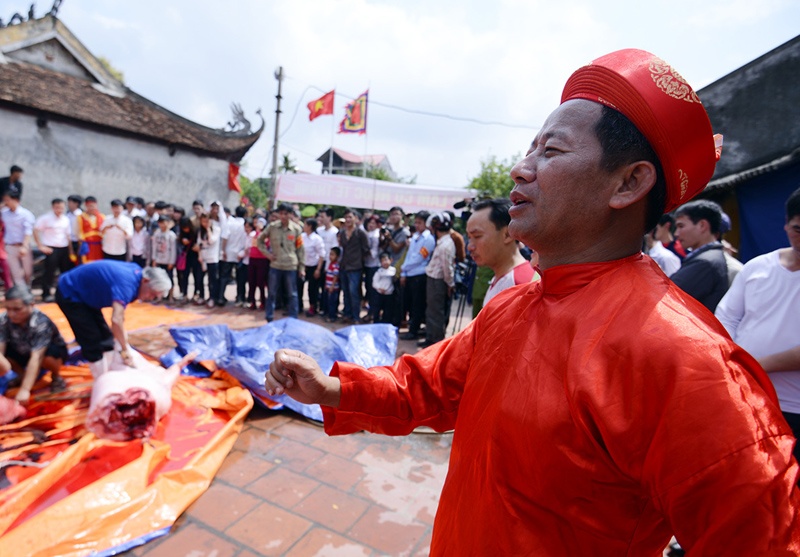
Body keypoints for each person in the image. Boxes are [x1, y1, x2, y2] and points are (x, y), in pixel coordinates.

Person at [265, 49, 799, 554]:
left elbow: (761, 539)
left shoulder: (685, 358)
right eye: (530, 147)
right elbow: (423, 387)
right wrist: (330, 388)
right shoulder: (512, 307)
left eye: (553, 150)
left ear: (629, 182)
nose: (521, 169)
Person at [715, 186, 800, 463]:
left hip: (793, 404)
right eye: (799, 229)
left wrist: (753, 365)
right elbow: (727, 317)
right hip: (748, 393)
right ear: (787, 225)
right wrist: (732, 360)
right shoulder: (757, 266)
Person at [56, 260, 170, 377]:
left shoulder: (137, 274)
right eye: (152, 294)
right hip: (70, 293)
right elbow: (116, 320)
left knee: (106, 339)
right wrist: (125, 349)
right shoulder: (126, 284)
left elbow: (119, 320)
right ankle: (102, 380)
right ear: (146, 281)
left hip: (87, 297)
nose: (151, 298)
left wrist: (123, 345)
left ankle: (110, 372)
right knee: (91, 340)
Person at [0, 285, 68, 404]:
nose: (11, 314)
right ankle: (23, 376)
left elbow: (37, 357)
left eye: (17, 309)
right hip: (21, 351)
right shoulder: (4, 320)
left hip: (44, 354)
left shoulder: (41, 322)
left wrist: (25, 390)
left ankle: (56, 377)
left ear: (31, 305)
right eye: (8, 309)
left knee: (49, 355)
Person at [466, 197, 536, 307]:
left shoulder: (521, 284)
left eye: (477, 236)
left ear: (507, 235)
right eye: (469, 237)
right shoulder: (502, 277)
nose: (470, 246)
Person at [670, 199, 729, 311]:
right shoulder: (711, 257)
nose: (676, 233)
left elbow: (669, 297)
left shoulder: (705, 263)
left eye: (681, 226)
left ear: (702, 226)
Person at [258, 203, 304, 321]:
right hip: (276, 264)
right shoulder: (272, 227)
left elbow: (300, 249)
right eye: (281, 213)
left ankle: (293, 318)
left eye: (286, 214)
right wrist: (268, 255)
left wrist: (302, 268)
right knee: (272, 293)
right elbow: (260, 241)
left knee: (292, 294)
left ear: (290, 215)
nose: (283, 216)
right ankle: (269, 317)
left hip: (291, 265)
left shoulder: (296, 229)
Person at [398, 211, 434, 340]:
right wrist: (404, 272)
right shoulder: (415, 237)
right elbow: (409, 256)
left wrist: (404, 268)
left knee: (417, 304)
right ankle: (409, 327)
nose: (417, 225)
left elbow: (419, 258)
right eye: (416, 222)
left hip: (419, 274)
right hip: (409, 273)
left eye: (420, 222)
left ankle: (414, 330)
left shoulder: (428, 239)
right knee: (408, 302)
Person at [33, 198, 73, 302]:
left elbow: (68, 236)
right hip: (51, 249)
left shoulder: (66, 219)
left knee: (65, 273)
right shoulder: (46, 218)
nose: (59, 210)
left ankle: (63, 293)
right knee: (49, 273)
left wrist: (71, 251)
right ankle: (46, 294)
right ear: (52, 207)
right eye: (57, 207)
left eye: (61, 207)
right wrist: (40, 246)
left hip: (64, 249)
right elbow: (36, 230)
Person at [337, 208, 369, 324]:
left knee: (354, 292)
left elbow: (366, 249)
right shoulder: (342, 233)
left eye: (350, 217)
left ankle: (356, 316)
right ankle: (347, 314)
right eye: (346, 217)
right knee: (345, 292)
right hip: (344, 266)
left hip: (355, 267)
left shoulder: (361, 233)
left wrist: (359, 260)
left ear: (355, 218)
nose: (348, 220)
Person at [1, 186, 35, 288]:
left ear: (16, 200)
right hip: (10, 246)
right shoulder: (4, 214)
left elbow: (28, 231)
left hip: (23, 245)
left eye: (8, 200)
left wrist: (24, 246)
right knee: (15, 273)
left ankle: (27, 289)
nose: (6, 202)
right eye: (5, 200)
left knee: (28, 271)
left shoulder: (26, 214)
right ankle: (21, 293)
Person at [219, 206, 249, 307]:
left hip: (228, 252)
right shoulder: (245, 224)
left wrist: (223, 250)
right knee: (241, 277)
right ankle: (240, 297)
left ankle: (220, 297)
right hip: (240, 254)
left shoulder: (229, 222)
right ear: (245, 214)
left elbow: (225, 237)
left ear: (235, 213)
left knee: (224, 276)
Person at [316, 208, 340, 315]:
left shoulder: (335, 232)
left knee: (329, 287)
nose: (320, 218)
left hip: (329, 264)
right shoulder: (319, 231)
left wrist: (329, 266)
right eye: (320, 216)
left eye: (323, 216)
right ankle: (321, 307)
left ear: (329, 217)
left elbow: (335, 250)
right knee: (320, 286)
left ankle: (330, 310)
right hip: (319, 261)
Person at [195, 212, 221, 308]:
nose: (205, 223)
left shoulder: (216, 229)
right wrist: (199, 256)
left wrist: (208, 229)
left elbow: (211, 241)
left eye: (207, 221)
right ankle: (201, 296)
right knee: (199, 278)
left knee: (212, 280)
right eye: (203, 221)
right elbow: (199, 244)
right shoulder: (200, 231)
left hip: (212, 258)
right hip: (203, 257)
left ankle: (212, 298)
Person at [301, 218, 325, 317]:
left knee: (312, 288)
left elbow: (321, 255)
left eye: (305, 224)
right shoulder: (302, 237)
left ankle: (313, 307)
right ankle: (298, 305)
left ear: (310, 226)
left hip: (313, 266)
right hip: (303, 265)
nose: (303, 226)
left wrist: (318, 269)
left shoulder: (317, 239)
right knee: (299, 286)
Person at [150, 215, 177, 302]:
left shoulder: (171, 235)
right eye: (161, 223)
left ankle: (171, 296)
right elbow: (154, 247)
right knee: (159, 279)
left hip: (168, 260)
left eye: (165, 223)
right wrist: (154, 259)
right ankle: (159, 297)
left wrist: (171, 261)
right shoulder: (157, 234)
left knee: (170, 278)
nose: (163, 225)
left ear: (168, 223)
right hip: (159, 260)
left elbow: (173, 250)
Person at [247, 217, 268, 310]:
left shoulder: (266, 236)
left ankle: (263, 301)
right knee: (252, 281)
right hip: (252, 258)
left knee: (260, 282)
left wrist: (259, 232)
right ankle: (252, 301)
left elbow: (264, 245)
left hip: (262, 259)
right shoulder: (252, 234)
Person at [77, 196, 104, 263]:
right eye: (89, 206)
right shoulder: (80, 217)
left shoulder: (102, 217)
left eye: (93, 206)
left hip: (99, 246)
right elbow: (77, 233)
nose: (92, 208)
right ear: (86, 206)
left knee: (99, 263)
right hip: (87, 246)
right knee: (87, 264)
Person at [371, 251, 396, 324]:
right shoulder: (379, 271)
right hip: (380, 293)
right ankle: (376, 322)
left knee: (388, 310)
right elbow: (374, 282)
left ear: (390, 260)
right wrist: (379, 288)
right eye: (382, 261)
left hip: (389, 294)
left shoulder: (393, 271)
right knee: (377, 309)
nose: (384, 262)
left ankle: (387, 322)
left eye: (386, 260)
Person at [323, 246, 341, 322]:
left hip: (333, 288)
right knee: (329, 301)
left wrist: (332, 286)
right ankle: (329, 314)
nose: (330, 256)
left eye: (332, 254)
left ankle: (332, 316)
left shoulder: (335, 265)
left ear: (337, 256)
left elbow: (335, 276)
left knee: (332, 303)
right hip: (328, 286)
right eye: (330, 254)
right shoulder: (330, 264)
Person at [66, 194, 83, 266]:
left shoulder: (81, 215)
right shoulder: (68, 214)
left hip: (78, 242)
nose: (68, 204)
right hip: (69, 241)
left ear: (76, 203)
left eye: (70, 202)